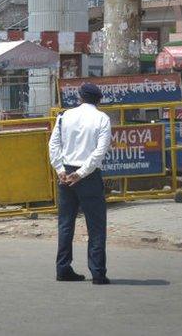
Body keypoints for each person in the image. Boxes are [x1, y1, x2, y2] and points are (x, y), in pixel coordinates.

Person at [48, 82, 111, 285]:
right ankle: (98, 273)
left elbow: (53, 145)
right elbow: (99, 152)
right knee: (96, 226)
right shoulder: (102, 118)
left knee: (66, 224)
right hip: (89, 176)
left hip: (66, 173)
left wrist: (60, 170)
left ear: (80, 98)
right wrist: (82, 173)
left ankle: (63, 268)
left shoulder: (64, 116)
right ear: (98, 99)